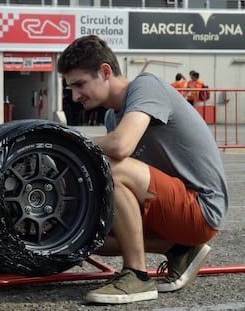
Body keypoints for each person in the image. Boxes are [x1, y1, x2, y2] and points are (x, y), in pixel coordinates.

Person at [57, 35, 228, 304]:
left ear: (105, 72)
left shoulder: (145, 86)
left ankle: (136, 276)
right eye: (71, 88)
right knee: (85, 232)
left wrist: (63, 140)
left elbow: (120, 147)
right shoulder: (113, 116)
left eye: (80, 84)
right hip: (171, 210)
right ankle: (180, 250)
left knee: (109, 167)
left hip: (201, 210)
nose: (76, 96)